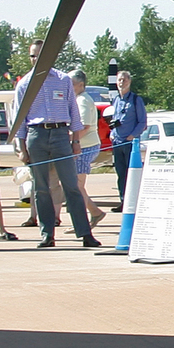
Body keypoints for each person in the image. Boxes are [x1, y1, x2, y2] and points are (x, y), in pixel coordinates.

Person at [14, 39, 103, 248]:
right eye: (32, 55)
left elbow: (73, 111)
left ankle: (85, 233)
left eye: (40, 54)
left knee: (71, 185)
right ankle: (47, 234)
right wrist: (21, 147)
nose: (36, 59)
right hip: (37, 135)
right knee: (41, 187)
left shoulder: (63, 80)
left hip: (61, 133)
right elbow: (19, 118)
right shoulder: (24, 84)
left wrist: (75, 141)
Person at [68, 69, 106, 229]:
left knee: (77, 186)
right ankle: (93, 213)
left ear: (80, 84)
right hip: (85, 145)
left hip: (85, 146)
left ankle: (84, 220)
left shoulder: (82, 100)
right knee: (76, 186)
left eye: (71, 84)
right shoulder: (80, 99)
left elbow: (84, 125)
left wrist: (70, 139)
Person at [107, 69, 147, 208]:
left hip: (130, 143)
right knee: (120, 173)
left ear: (129, 81)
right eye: (119, 80)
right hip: (117, 143)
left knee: (132, 173)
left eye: (124, 80)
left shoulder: (136, 100)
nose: (122, 83)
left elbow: (143, 122)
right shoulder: (116, 100)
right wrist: (112, 133)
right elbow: (114, 119)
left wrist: (132, 136)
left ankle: (134, 201)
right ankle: (123, 201)